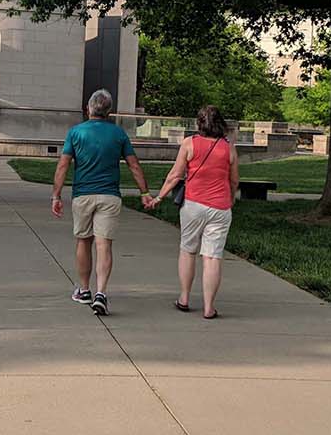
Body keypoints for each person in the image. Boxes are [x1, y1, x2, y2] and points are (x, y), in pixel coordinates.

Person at [52, 89, 153, 317]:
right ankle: (102, 293)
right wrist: (144, 191)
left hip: (83, 195)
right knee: (104, 245)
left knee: (83, 242)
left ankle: (85, 289)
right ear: (109, 111)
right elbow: (134, 165)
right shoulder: (118, 134)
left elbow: (63, 165)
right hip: (109, 196)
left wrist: (56, 195)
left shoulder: (75, 133)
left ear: (89, 108)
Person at [145, 104, 238, 319]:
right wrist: (230, 198)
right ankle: (209, 307)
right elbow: (234, 180)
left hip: (193, 205)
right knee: (212, 257)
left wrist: (159, 197)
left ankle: (184, 298)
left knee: (188, 250)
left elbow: (175, 175)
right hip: (220, 207)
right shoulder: (228, 148)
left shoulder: (189, 144)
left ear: (199, 123)